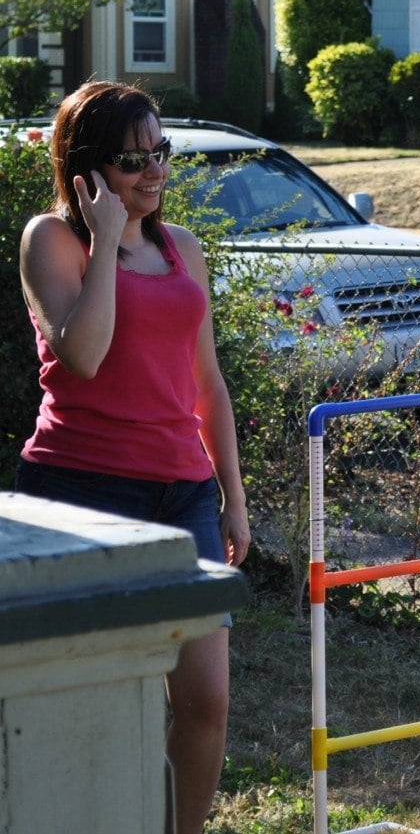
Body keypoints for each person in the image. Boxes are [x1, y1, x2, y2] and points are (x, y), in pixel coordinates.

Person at [14, 80, 250, 834]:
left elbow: (205, 380)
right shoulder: (52, 242)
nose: (154, 173)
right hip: (81, 491)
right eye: (132, 159)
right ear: (87, 171)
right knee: (91, 701)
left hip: (180, 494)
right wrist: (107, 240)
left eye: (161, 153)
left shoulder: (183, 248)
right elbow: (82, 353)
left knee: (206, 697)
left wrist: (232, 494)